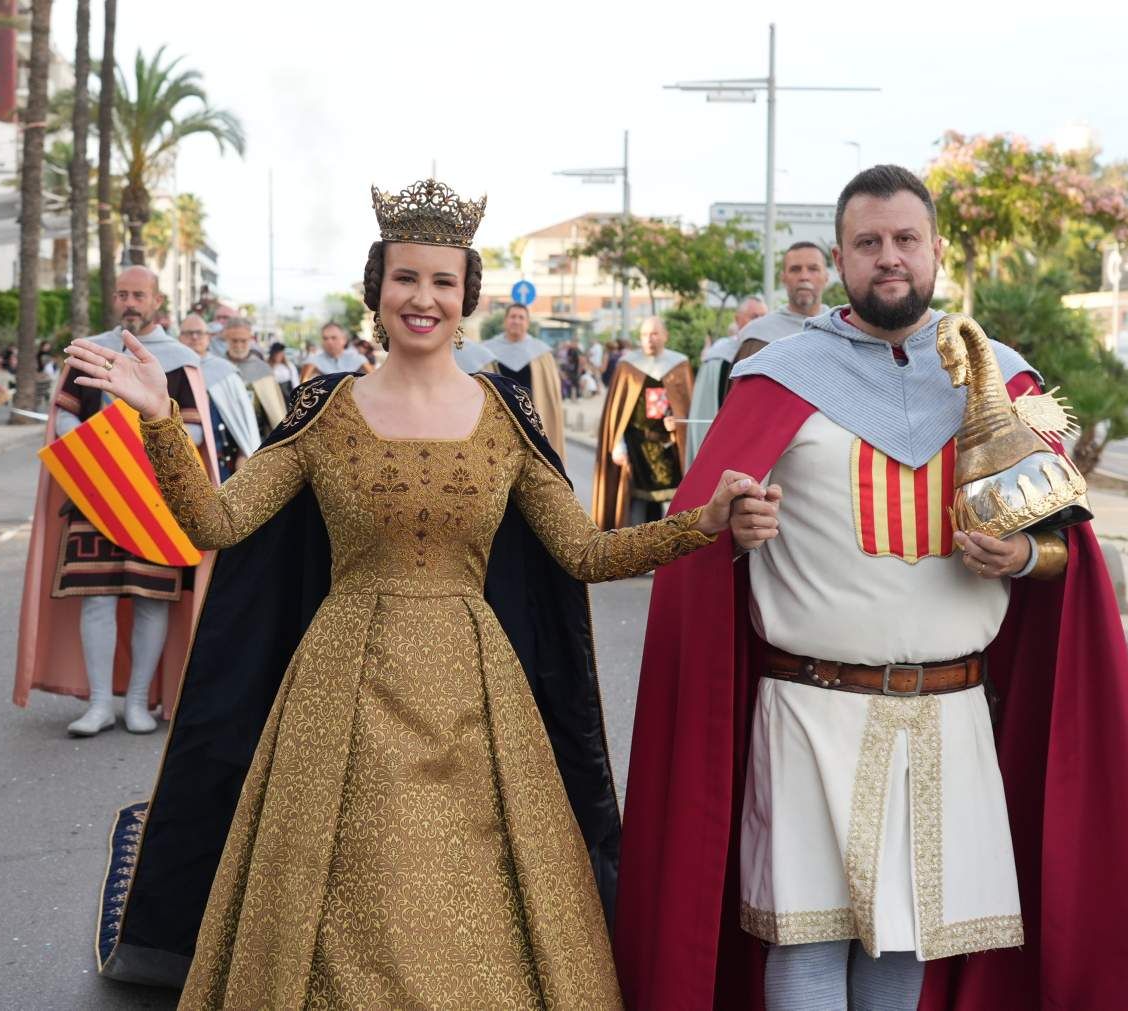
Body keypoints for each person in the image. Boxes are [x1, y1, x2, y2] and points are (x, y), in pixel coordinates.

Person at [74, 178, 768, 1005]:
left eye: (442, 281)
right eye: (406, 278)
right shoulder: (325, 412)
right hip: (342, 688)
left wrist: (704, 520)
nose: (423, 298)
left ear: (466, 296)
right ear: (377, 290)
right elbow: (216, 524)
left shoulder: (504, 415)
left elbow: (583, 552)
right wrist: (159, 417)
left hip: (477, 689)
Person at [614, 165, 1128, 1010]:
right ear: (841, 257)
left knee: (906, 951)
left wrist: (1023, 559)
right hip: (810, 709)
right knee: (806, 948)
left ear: (935, 250)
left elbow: (1070, 551)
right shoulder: (779, 380)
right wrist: (733, 533)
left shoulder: (1002, 382)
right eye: (868, 242)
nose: (888, 258)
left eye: (904, 240)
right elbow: (698, 549)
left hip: (947, 712)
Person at [14, 265, 215, 738]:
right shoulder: (92, 351)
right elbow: (65, 418)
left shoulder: (180, 360)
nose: (130, 301)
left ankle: (141, 703)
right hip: (96, 495)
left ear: (157, 300)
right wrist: (104, 456)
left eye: (138, 294)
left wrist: (137, 454)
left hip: (157, 500)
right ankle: (101, 704)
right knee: (97, 597)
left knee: (152, 601)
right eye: (122, 293)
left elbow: (193, 429)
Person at [593, 315, 693, 528]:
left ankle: (669, 550)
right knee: (635, 505)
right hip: (635, 444)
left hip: (669, 447)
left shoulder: (679, 364)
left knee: (672, 507)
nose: (649, 339)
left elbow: (687, 408)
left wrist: (679, 424)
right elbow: (616, 413)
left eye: (655, 334)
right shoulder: (628, 365)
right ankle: (637, 553)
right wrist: (617, 445)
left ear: (665, 336)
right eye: (645, 335)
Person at [686, 296, 768, 467]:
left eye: (764, 317)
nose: (760, 322)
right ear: (738, 319)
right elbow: (706, 409)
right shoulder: (718, 358)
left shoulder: (771, 354)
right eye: (754, 317)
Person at [478, 302, 566, 455]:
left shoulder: (542, 353)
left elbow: (550, 393)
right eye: (512, 317)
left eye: (521, 317)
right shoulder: (487, 351)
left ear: (527, 323)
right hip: (499, 420)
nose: (516, 321)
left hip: (532, 420)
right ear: (505, 321)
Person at [180, 312, 259, 482]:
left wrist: (244, 453)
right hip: (182, 463)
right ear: (179, 337)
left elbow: (243, 422)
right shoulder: (172, 371)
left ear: (208, 337)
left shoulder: (225, 372)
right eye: (188, 333)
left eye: (199, 333)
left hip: (222, 461)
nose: (194, 337)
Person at [733, 242, 830, 364]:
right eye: (795, 269)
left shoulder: (841, 330)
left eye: (813, 269)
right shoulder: (758, 335)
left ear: (826, 277)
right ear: (783, 278)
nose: (804, 276)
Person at [221, 316, 287, 438]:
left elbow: (276, 413)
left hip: (258, 436)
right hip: (225, 436)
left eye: (243, 341)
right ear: (226, 339)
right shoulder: (218, 367)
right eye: (234, 341)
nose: (239, 345)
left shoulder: (262, 369)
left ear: (250, 339)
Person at [298, 322, 372, 381]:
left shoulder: (358, 359)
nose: (329, 342)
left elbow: (375, 381)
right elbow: (303, 387)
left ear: (344, 340)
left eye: (334, 338)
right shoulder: (312, 361)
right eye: (325, 338)